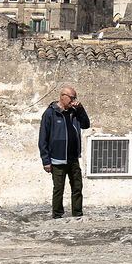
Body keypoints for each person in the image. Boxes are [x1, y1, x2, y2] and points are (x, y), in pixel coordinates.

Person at [37, 85, 90, 219]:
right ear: (62, 96)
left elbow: (86, 124)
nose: (73, 100)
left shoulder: (74, 112)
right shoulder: (50, 113)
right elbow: (43, 138)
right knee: (58, 189)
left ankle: (77, 213)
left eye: (75, 98)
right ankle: (57, 215)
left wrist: (80, 109)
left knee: (77, 187)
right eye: (71, 98)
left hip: (73, 158)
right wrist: (46, 160)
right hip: (57, 158)